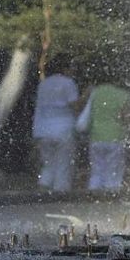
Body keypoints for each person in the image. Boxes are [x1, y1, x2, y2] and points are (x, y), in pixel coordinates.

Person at [32, 60, 79, 192]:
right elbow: (74, 105)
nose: (74, 70)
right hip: (63, 128)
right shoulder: (68, 83)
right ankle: (60, 192)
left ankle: (43, 191)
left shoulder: (44, 84)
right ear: (65, 68)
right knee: (63, 164)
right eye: (72, 67)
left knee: (48, 164)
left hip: (43, 129)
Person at [79, 81, 130, 192]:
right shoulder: (122, 94)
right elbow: (125, 117)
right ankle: (110, 195)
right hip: (115, 136)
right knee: (113, 170)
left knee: (97, 170)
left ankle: (93, 193)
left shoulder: (95, 93)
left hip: (96, 136)